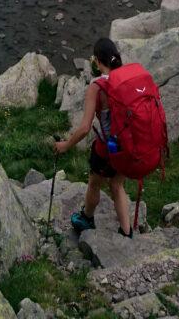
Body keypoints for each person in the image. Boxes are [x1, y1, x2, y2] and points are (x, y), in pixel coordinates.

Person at [53, 37, 132, 238]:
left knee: (95, 183)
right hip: (129, 144)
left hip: (107, 148)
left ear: (97, 61)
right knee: (117, 184)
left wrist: (66, 145)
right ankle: (127, 231)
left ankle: (87, 217)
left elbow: (84, 128)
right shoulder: (127, 78)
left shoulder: (97, 86)